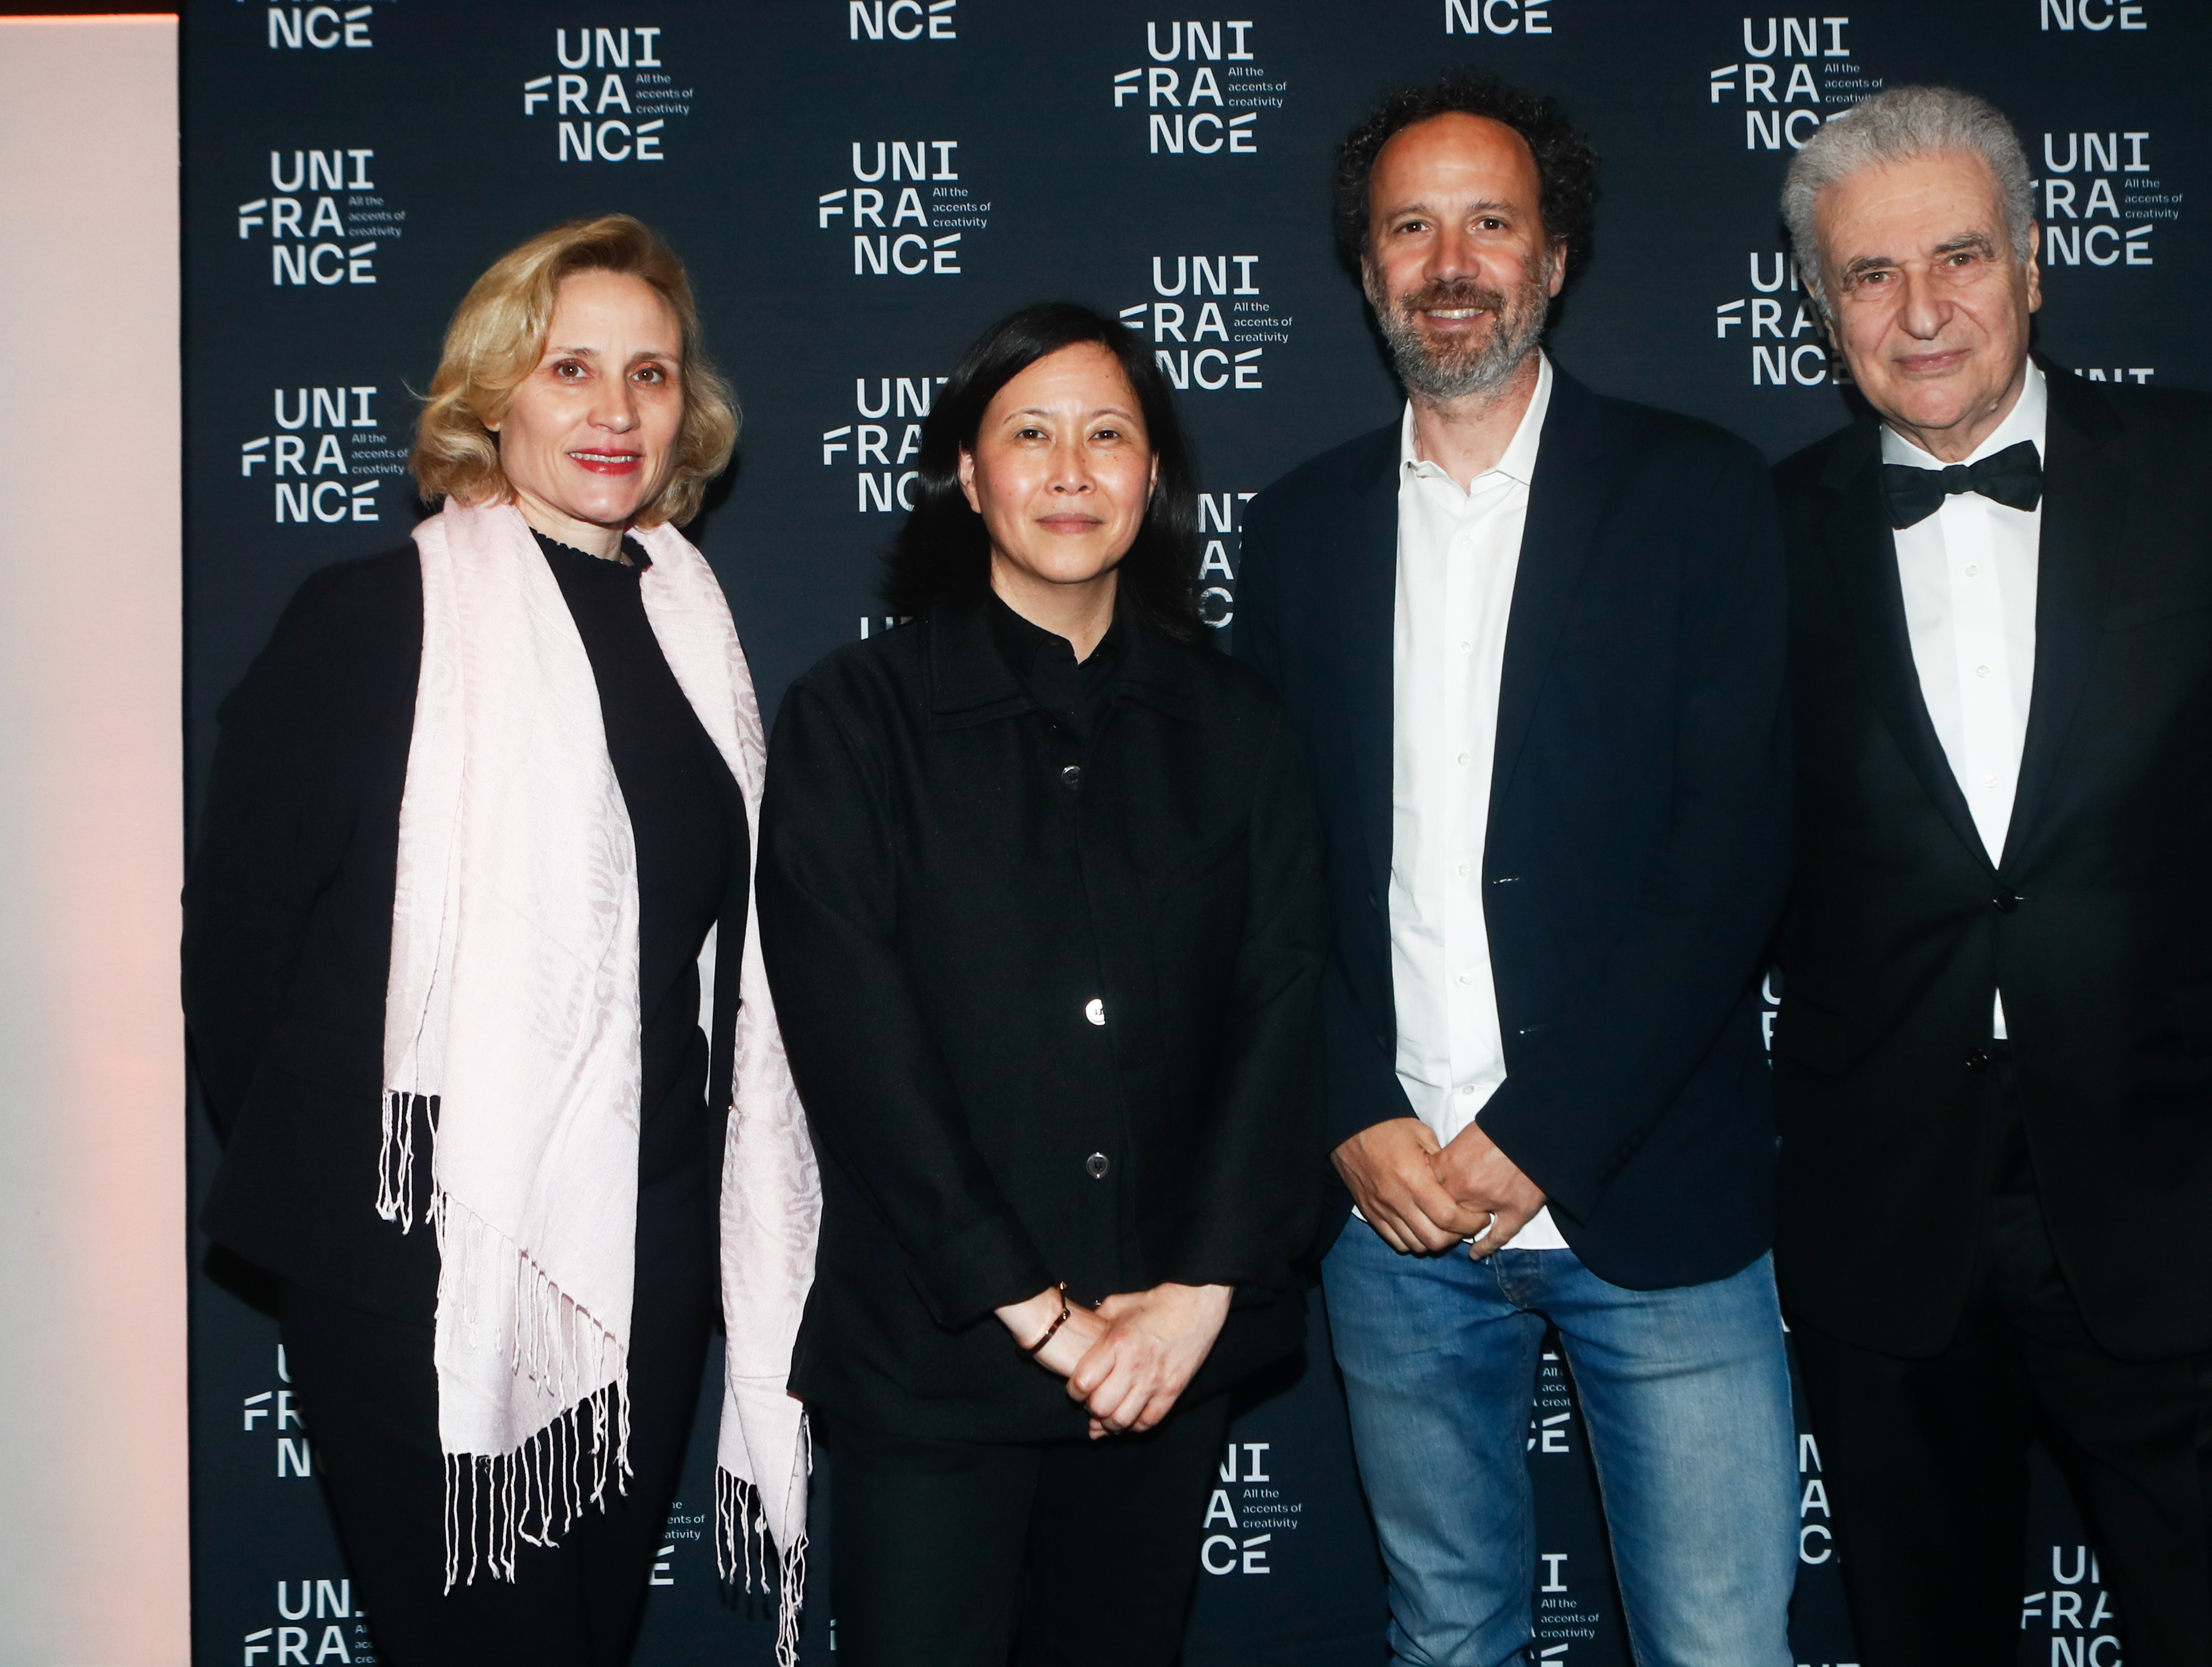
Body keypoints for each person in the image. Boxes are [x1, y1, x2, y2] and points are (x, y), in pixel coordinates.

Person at [185, 215, 819, 1667]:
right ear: (492, 396)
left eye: (650, 376)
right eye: (571, 369)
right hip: (418, 1252)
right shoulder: (378, 616)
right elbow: (237, 955)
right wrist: (393, 1192)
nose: (615, 412)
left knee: (582, 1642)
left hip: (640, 1250)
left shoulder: (688, 626)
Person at [1768, 86, 2212, 1667]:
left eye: (1959, 256)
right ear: (1824, 314)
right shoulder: (1757, 536)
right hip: (1890, 1220)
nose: (1923, 308)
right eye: (1871, 277)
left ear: (2034, 265)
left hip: (2176, 1204)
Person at [1235, 72, 1797, 1667]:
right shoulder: (1296, 533)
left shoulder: (1698, 493)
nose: (1452, 259)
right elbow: (1267, 868)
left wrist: (1540, 1134)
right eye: (1411, 226)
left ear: (1557, 259)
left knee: (1718, 1645)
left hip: (1656, 1200)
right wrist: (1350, 1107)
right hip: (1390, 1217)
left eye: (1494, 220)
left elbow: (1732, 851)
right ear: (1366, 271)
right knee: (1451, 1635)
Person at [755, 301, 1326, 1667]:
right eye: (1031, 432)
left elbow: (1284, 1006)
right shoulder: (855, 717)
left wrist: (1196, 1298)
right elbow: (854, 1043)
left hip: (1165, 1361)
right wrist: (1042, 1318)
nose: (1071, 470)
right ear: (969, 470)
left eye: (1109, 434)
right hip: (938, 1359)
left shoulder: (1238, 725)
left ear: (1154, 476)